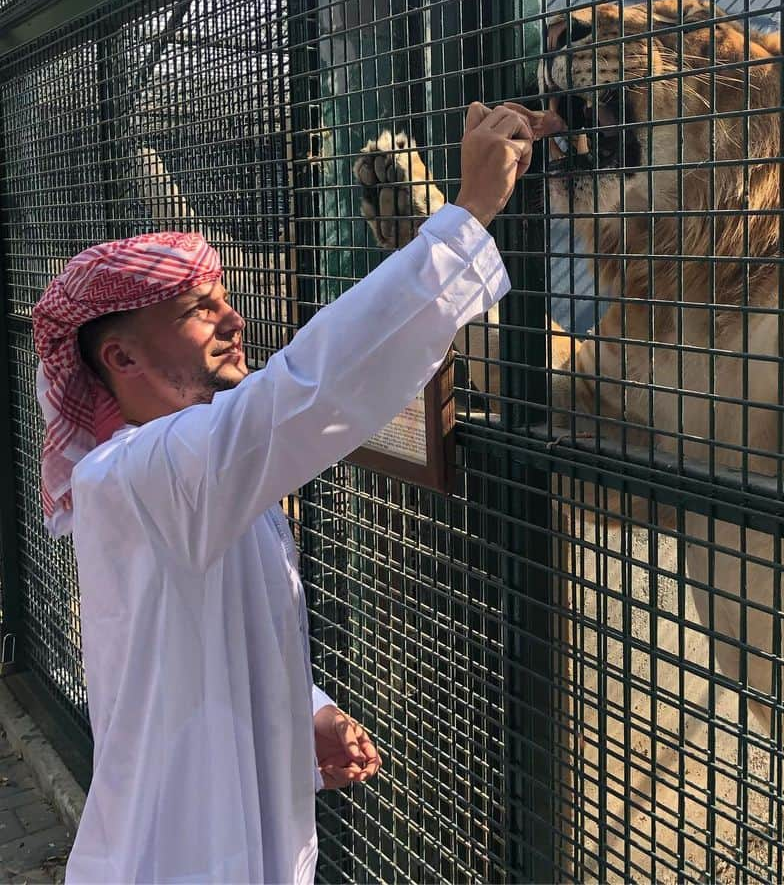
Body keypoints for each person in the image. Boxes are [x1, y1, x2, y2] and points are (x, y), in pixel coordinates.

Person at [31, 102, 540, 883]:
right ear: (123, 359)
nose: (234, 319)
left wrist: (304, 709)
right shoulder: (138, 476)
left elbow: (202, 638)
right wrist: (467, 213)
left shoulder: (187, 471)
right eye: (199, 310)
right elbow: (308, 390)